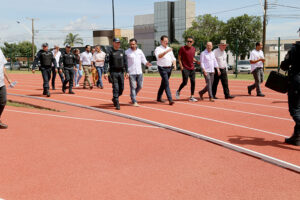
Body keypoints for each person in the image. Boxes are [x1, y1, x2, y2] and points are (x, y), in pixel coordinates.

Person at [280, 31, 300, 146]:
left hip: (296, 81)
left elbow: (284, 66)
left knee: (295, 110)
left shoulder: (295, 49)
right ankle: (296, 137)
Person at [104, 38, 128, 110]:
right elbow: (106, 62)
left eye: (119, 43)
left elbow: (125, 62)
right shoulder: (109, 52)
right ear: (113, 43)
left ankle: (114, 98)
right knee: (116, 88)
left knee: (121, 89)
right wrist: (105, 72)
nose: (118, 44)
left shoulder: (122, 51)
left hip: (121, 72)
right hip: (113, 72)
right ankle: (117, 102)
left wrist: (127, 72)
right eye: (117, 42)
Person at [125, 38, 151, 106]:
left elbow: (143, 60)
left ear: (136, 44)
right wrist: (126, 72)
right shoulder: (127, 52)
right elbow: (125, 63)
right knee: (133, 87)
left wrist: (147, 63)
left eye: (133, 44)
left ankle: (132, 95)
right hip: (131, 72)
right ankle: (134, 101)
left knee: (140, 86)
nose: (132, 45)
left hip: (139, 72)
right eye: (131, 44)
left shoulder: (140, 51)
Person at [175, 36, 200, 102]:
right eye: (188, 41)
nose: (189, 42)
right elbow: (179, 58)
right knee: (185, 82)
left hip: (192, 68)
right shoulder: (182, 48)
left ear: (193, 42)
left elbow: (191, 58)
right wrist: (181, 67)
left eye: (190, 41)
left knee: (193, 82)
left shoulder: (194, 49)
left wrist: (197, 61)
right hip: (185, 68)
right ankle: (178, 91)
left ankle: (192, 96)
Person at [155, 35, 176, 105]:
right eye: (165, 41)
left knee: (163, 83)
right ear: (161, 41)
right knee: (166, 83)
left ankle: (158, 97)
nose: (166, 42)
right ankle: (170, 99)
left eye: (167, 41)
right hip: (162, 68)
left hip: (169, 68)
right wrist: (166, 51)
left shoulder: (169, 49)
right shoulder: (158, 49)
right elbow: (159, 56)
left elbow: (173, 58)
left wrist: (174, 64)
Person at [0, 48, 15, 129]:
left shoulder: (0, 51)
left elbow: (2, 67)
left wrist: (8, 79)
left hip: (1, 83)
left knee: (3, 101)